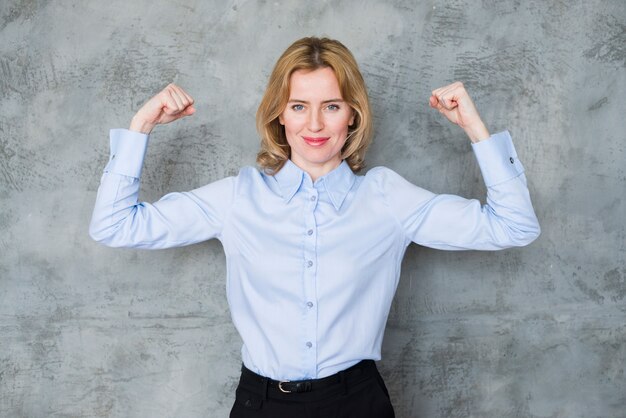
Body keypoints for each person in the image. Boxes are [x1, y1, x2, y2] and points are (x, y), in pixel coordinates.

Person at [90, 37, 540, 418]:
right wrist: (140, 127)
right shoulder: (237, 197)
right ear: (279, 116)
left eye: (332, 106)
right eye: (299, 106)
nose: (315, 124)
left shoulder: (387, 198)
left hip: (356, 402)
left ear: (353, 115)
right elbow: (114, 226)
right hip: (261, 403)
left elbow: (513, 227)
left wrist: (476, 129)